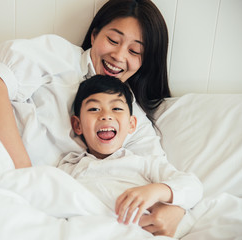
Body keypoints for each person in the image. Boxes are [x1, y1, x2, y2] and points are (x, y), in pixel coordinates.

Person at [0, 0, 185, 236]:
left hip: (68, 214)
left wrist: (179, 210)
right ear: (94, 35)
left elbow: (164, 177)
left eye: (135, 51)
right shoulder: (57, 56)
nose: (118, 56)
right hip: (12, 183)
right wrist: (27, 174)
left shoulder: (133, 119)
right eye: (113, 40)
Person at [58, 75, 202, 235]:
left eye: (117, 109)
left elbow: (193, 186)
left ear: (131, 124)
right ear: (77, 125)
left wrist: (155, 191)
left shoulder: (145, 163)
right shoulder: (68, 169)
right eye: (94, 109)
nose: (106, 115)